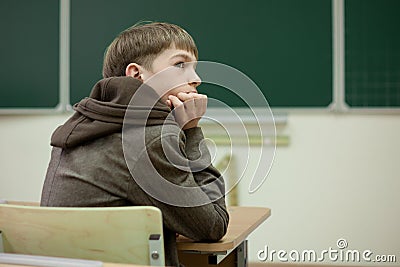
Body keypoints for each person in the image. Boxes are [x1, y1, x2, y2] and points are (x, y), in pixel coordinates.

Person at [40, 22, 229, 266]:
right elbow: (214, 225)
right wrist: (191, 131)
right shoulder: (147, 140)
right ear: (137, 74)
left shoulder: (83, 125)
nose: (197, 79)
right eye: (180, 65)